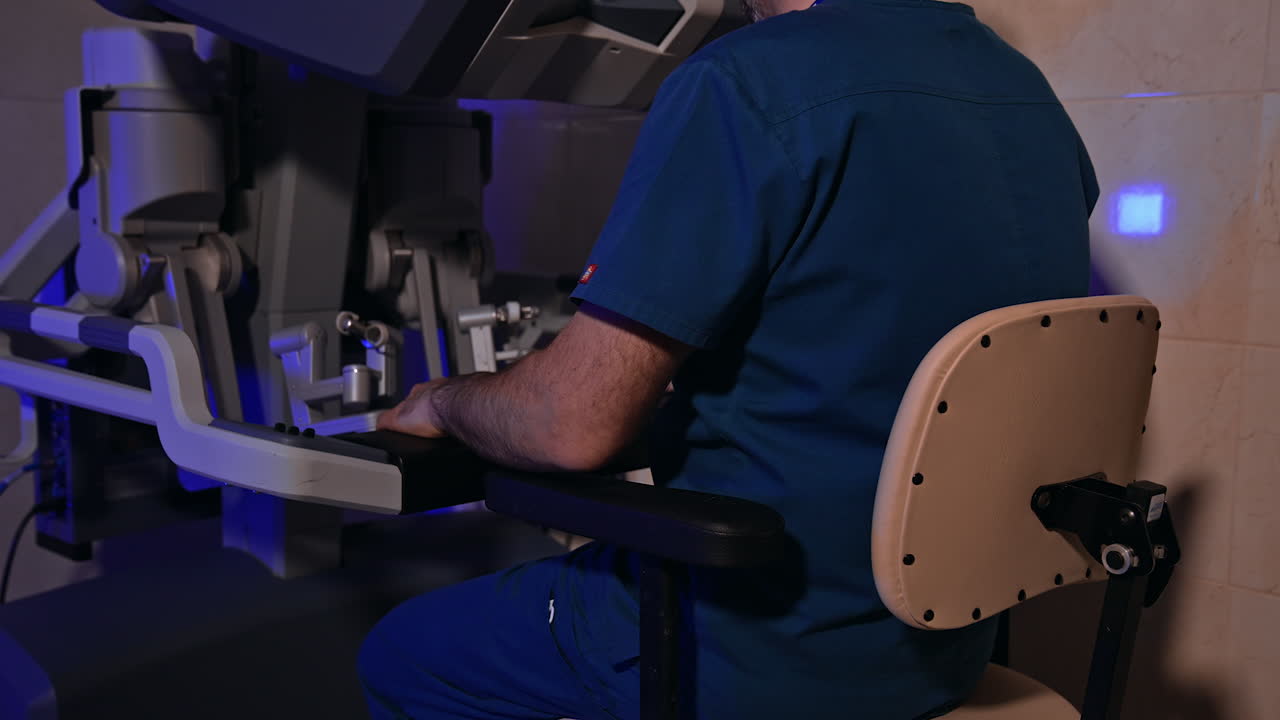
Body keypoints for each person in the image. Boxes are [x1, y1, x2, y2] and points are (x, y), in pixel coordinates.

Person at [358, 0, 1098, 717]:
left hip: (752, 649)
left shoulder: (747, 81)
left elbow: (569, 426)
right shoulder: (1023, 91)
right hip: (938, 647)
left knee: (404, 654)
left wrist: (445, 400)